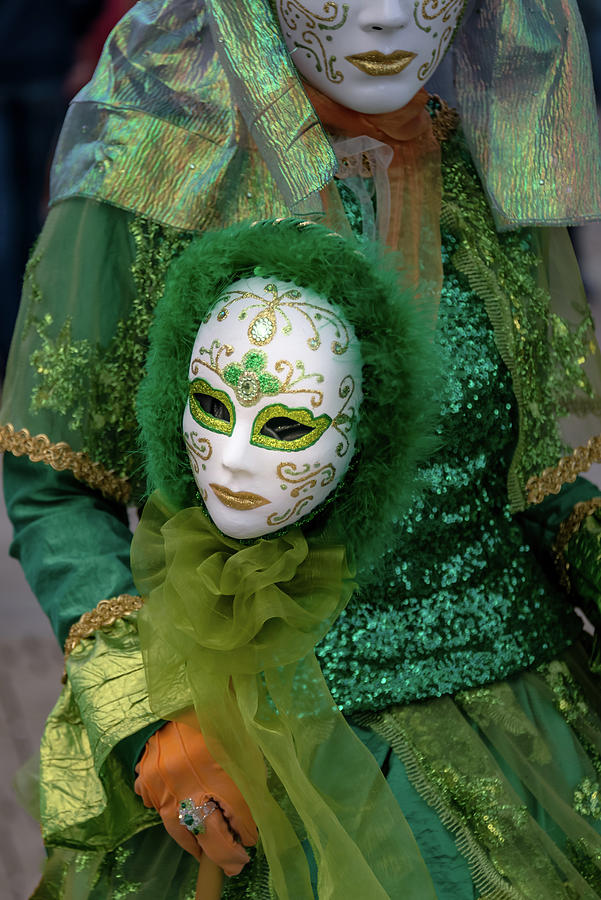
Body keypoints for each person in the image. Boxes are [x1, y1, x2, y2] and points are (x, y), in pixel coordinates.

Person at [3, 1, 601, 897]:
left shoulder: (483, 173)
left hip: (525, 733)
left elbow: (523, 484)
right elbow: (57, 484)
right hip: (265, 747)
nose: (385, 18)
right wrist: (147, 714)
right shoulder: (161, 167)